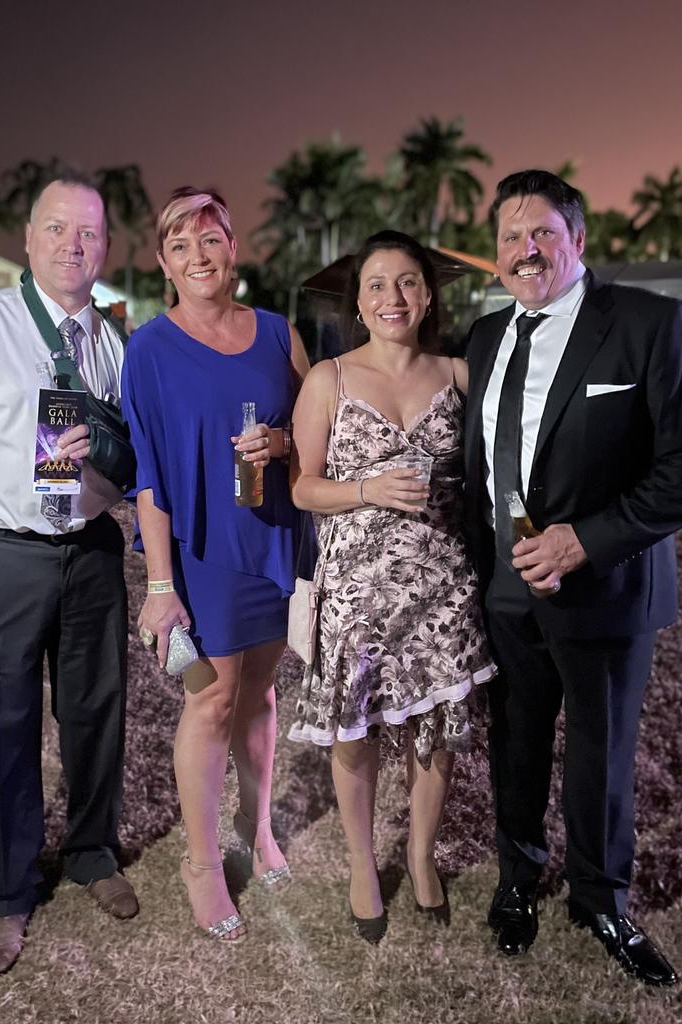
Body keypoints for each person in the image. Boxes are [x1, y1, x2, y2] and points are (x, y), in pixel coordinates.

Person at [0, 175, 138, 977]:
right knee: (3, 727)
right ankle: (7, 892)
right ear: (28, 238)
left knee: (96, 715)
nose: (73, 245)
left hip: (92, 553)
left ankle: (89, 852)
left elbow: (130, 462)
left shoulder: (114, 343)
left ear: (105, 247)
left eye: (88, 233)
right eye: (57, 229)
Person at [463, 169, 681, 986]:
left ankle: (600, 896)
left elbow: (676, 470)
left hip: (604, 587)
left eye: (543, 233)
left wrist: (582, 542)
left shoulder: (648, 325)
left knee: (600, 752)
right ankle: (519, 878)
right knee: (516, 744)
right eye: (511, 238)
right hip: (505, 586)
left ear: (578, 241)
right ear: (495, 258)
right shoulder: (485, 339)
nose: (527, 251)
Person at [289, 231, 494, 943]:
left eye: (407, 282)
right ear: (359, 301)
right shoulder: (330, 378)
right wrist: (366, 487)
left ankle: (421, 854)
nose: (392, 298)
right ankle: (359, 865)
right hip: (356, 591)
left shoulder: (461, 374)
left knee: (437, 731)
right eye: (377, 285)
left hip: (443, 590)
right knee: (358, 732)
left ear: (428, 294)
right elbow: (302, 487)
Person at [121, 186, 313, 943]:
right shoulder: (150, 348)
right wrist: (160, 584)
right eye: (179, 246)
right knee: (211, 698)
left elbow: (316, 431)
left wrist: (286, 445)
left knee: (261, 694)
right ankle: (202, 863)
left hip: (272, 536)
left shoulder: (276, 333)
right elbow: (148, 476)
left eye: (210, 240)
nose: (197, 256)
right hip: (201, 552)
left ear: (233, 248)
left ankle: (254, 824)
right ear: (164, 262)